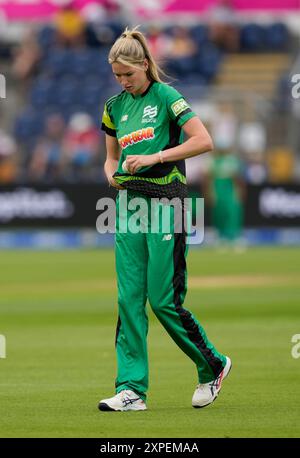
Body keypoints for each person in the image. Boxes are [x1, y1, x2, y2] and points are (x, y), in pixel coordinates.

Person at [99, 26, 231, 412]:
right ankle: (131, 390)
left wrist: (156, 158)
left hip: (168, 204)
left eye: (129, 75)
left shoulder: (167, 96)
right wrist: (110, 171)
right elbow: (110, 156)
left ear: (144, 65)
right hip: (129, 207)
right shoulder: (113, 106)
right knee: (129, 300)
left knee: (164, 300)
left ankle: (213, 364)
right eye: (118, 76)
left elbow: (203, 140)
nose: (124, 82)